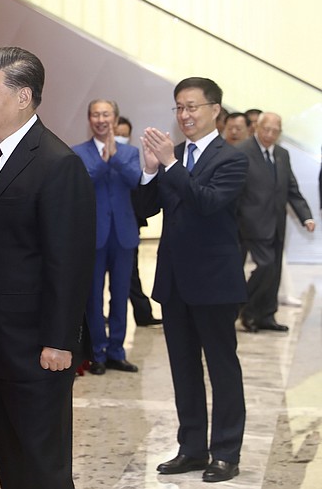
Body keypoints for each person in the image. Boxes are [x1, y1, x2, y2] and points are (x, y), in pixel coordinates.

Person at [0, 47, 95, 489]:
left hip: (35, 350)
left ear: (23, 97)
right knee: (12, 462)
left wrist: (59, 342)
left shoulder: (58, 164)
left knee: (43, 466)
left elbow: (68, 263)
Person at [139, 77, 249, 483]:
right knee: (183, 368)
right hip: (174, 280)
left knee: (222, 368)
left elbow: (206, 202)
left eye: (192, 107)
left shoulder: (232, 158)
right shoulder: (176, 155)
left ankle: (226, 452)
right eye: (179, 108)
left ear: (215, 110)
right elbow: (145, 209)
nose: (184, 115)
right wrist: (151, 173)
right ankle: (191, 448)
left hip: (215, 283)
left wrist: (169, 166)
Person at [72, 99, 142, 375]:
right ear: (89, 119)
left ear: (114, 118)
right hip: (94, 235)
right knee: (93, 297)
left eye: (106, 114)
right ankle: (97, 352)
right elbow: (80, 184)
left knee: (121, 294)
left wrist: (115, 157)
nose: (101, 119)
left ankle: (117, 351)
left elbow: (137, 179)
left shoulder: (130, 152)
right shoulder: (78, 153)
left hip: (123, 235)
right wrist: (104, 161)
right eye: (96, 115)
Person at [236, 112, 314, 333]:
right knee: (266, 266)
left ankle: (266, 315)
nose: (270, 134)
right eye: (266, 129)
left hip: (277, 222)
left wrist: (305, 216)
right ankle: (245, 310)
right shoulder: (242, 152)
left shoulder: (282, 154)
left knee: (275, 270)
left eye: (275, 131)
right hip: (250, 222)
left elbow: (291, 188)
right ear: (256, 128)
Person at [114, 116, 160, 327]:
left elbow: (138, 185)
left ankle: (143, 315)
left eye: (125, 135)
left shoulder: (132, 157)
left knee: (132, 275)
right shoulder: (91, 156)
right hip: (101, 228)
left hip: (128, 226)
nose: (120, 138)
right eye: (117, 134)